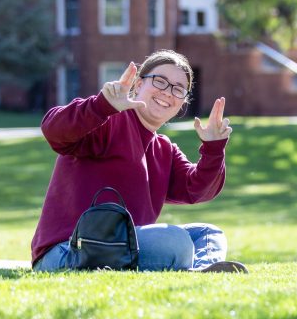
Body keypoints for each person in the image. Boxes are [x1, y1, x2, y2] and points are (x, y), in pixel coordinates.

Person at [31, 49, 247, 273]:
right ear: (137, 85)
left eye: (178, 89)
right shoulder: (106, 121)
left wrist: (213, 148)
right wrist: (101, 105)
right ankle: (185, 266)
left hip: (122, 247)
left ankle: (200, 273)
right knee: (175, 240)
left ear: (183, 102)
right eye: (160, 81)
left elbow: (198, 189)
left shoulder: (164, 149)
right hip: (68, 251)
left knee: (208, 234)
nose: (167, 92)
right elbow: (53, 130)